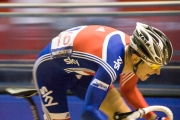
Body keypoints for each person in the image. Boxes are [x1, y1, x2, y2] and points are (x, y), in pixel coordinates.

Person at [33, 22, 173, 120]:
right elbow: (88, 112)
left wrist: (153, 117)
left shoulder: (133, 55)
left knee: (124, 116)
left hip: (80, 70)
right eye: (155, 67)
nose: (158, 72)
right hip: (49, 74)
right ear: (136, 58)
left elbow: (128, 90)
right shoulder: (111, 64)